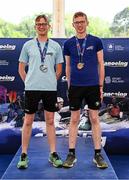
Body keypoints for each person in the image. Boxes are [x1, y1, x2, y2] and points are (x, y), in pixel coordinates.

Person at [17, 14, 64, 169]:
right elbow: (21, 68)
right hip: (31, 89)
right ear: (35, 27)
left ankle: (53, 153)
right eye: (38, 24)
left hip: (50, 89)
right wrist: (29, 82)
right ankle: (23, 154)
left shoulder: (56, 46)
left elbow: (59, 70)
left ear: (49, 26)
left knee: (50, 121)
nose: (41, 26)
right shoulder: (28, 45)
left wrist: (49, 80)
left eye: (44, 24)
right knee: (28, 121)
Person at [63, 11, 108, 169]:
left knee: (94, 119)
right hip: (75, 86)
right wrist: (69, 85)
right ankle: (71, 154)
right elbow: (68, 66)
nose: (80, 24)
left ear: (87, 22)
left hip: (92, 86)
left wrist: (101, 86)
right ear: (73, 24)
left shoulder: (96, 41)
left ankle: (97, 154)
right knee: (74, 119)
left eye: (82, 21)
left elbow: (101, 63)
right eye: (77, 22)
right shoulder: (68, 44)